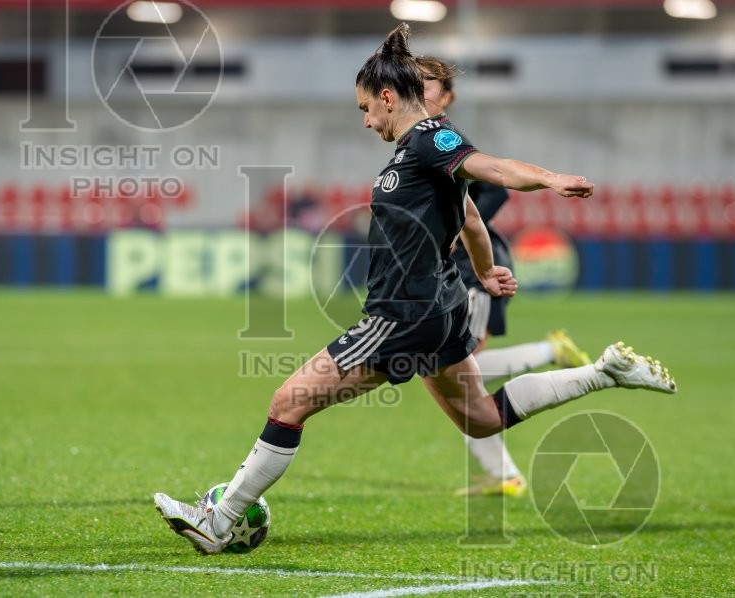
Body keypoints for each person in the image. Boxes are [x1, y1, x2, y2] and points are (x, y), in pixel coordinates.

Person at [153, 23, 676, 554]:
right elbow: (470, 217)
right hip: (439, 306)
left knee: (289, 401)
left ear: (386, 97)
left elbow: (490, 167)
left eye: (365, 108)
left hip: (401, 313)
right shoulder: (415, 153)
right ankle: (604, 372)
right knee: (481, 419)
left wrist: (550, 178)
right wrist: (488, 270)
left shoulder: (431, 139)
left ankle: (221, 522)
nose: (365, 121)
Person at [416, 56, 592, 498]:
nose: (420, 92)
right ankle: (504, 473)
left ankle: (549, 351)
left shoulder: (446, 139)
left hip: (476, 272)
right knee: (458, 375)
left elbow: (492, 187)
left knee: (460, 372)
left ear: (448, 97)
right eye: (413, 84)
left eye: (429, 86)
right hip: (461, 272)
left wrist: (458, 226)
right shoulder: (421, 141)